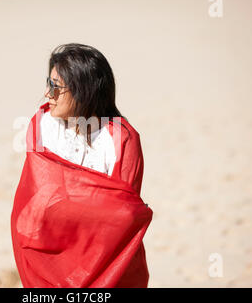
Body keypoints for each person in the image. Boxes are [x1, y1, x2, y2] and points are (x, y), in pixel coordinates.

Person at [11, 43, 152, 288]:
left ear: (84, 90)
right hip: (50, 264)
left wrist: (71, 207)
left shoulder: (121, 140)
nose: (48, 93)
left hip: (107, 265)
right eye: (48, 82)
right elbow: (32, 206)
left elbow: (122, 219)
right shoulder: (42, 128)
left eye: (56, 86)